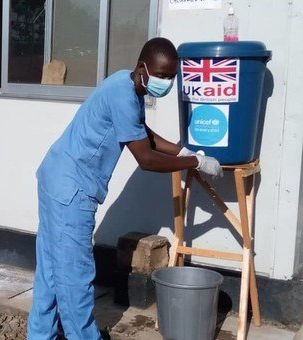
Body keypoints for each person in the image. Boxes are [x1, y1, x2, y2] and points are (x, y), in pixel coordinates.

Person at [26, 37, 223, 340]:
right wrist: (193, 165)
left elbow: (144, 133)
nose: (167, 82)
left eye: (172, 76)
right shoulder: (124, 94)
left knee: (52, 269)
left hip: (54, 176)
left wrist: (185, 152)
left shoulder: (124, 82)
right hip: (71, 191)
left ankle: (40, 335)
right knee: (75, 275)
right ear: (142, 67)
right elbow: (145, 157)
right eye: (162, 75)